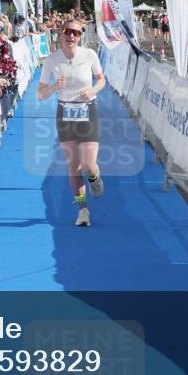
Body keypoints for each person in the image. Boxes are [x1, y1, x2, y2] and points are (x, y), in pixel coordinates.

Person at [37, 20, 106, 228]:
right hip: (65, 113)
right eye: (68, 32)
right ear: (61, 33)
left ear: (81, 35)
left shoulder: (90, 55)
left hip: (87, 111)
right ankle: (83, 209)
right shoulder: (52, 60)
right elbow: (40, 94)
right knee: (74, 168)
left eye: (76, 33)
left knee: (88, 165)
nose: (72, 36)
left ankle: (95, 178)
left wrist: (92, 91)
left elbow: (101, 79)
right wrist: (53, 87)